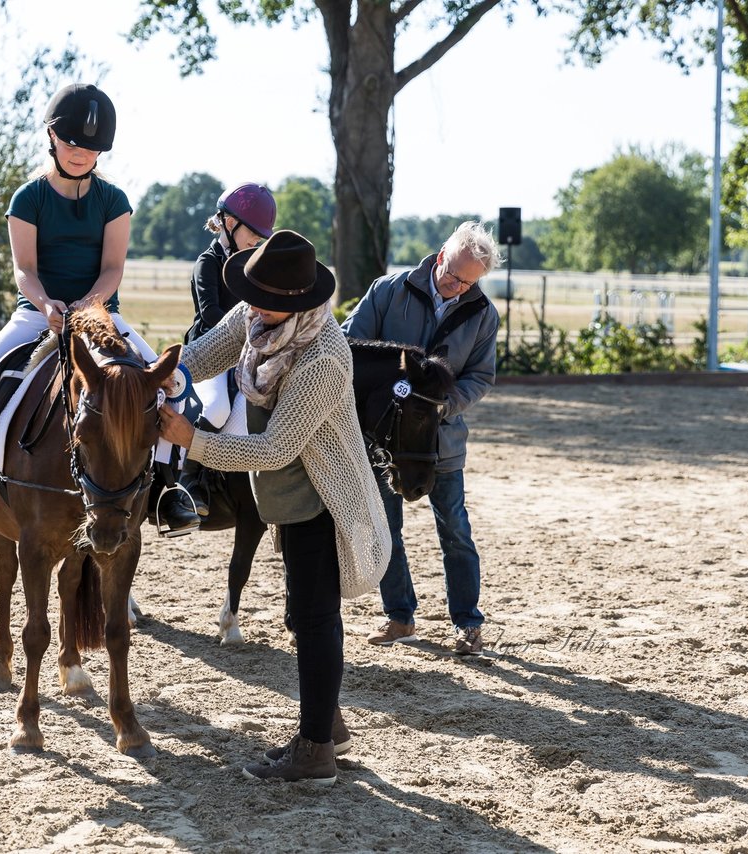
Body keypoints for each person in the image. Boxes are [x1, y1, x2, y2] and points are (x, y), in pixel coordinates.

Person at [158, 230, 389, 785]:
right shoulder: (258, 314)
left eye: (266, 300)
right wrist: (160, 371)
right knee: (303, 615)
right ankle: (325, 725)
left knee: (314, 619)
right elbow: (203, 352)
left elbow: (275, 447)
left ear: (297, 303)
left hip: (324, 503)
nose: (252, 307)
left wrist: (193, 442)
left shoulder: (324, 357)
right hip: (288, 497)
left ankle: (315, 754)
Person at [0, 83, 194, 530]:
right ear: (52, 138)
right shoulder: (27, 198)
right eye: (71, 142)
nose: (79, 153)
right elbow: (24, 269)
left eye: (90, 147)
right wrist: (47, 303)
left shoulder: (114, 201)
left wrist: (88, 305)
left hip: (102, 315)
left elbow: (112, 269)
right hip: (35, 314)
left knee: (176, 383)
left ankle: (167, 489)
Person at [340, 220, 501, 656]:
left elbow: (481, 377)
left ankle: (468, 624)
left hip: (441, 443)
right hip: (384, 439)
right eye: (452, 274)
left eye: (467, 282)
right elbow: (348, 343)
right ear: (440, 256)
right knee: (386, 528)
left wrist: (440, 406)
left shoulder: (483, 314)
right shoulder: (388, 290)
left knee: (456, 531)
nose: (456, 286)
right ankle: (399, 618)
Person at [158, 182, 276, 522]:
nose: (257, 239)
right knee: (219, 408)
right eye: (252, 231)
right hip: (208, 352)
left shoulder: (254, 260)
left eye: (261, 233)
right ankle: (189, 481)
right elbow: (212, 317)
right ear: (228, 222)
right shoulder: (207, 263)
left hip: (247, 354)